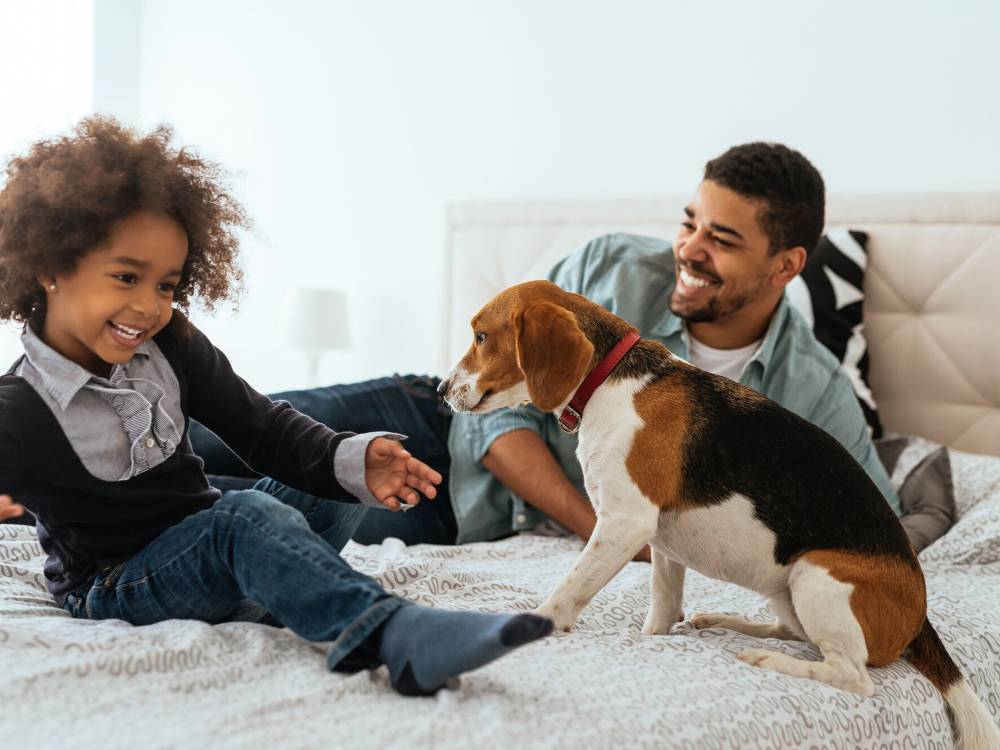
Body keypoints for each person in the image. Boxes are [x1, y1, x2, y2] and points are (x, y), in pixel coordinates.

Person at [0, 116, 552, 697]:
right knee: (241, 520)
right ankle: (395, 636)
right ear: (51, 267)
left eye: (165, 285)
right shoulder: (20, 407)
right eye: (125, 277)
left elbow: (262, 427)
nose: (147, 306)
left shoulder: (171, 344)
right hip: (117, 583)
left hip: (200, 538)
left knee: (326, 479)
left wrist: (351, 459)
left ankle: (270, 583)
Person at [188, 143, 902, 558]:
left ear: (785, 266)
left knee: (243, 513)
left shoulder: (809, 390)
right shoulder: (610, 270)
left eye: (723, 239)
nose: (689, 249)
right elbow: (498, 419)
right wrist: (608, 533)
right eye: (691, 222)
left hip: (463, 513)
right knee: (219, 429)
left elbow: (874, 523)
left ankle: (103, 511)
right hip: (436, 414)